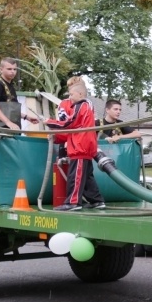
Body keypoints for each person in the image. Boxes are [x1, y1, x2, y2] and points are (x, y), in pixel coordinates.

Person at [45, 82, 106, 211]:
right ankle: (96, 200)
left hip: (80, 146)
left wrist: (50, 122)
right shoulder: (86, 106)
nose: (70, 97)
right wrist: (57, 137)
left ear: (80, 94)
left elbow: (69, 124)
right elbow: (73, 129)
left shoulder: (81, 105)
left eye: (71, 94)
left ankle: (73, 202)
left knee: (76, 175)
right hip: (85, 145)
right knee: (87, 176)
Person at [0, 57, 38, 133]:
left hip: (11, 130)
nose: (12, 71)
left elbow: (8, 110)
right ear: (1, 69)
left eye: (14, 69)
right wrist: (8, 122)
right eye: (9, 69)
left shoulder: (10, 86)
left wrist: (26, 117)